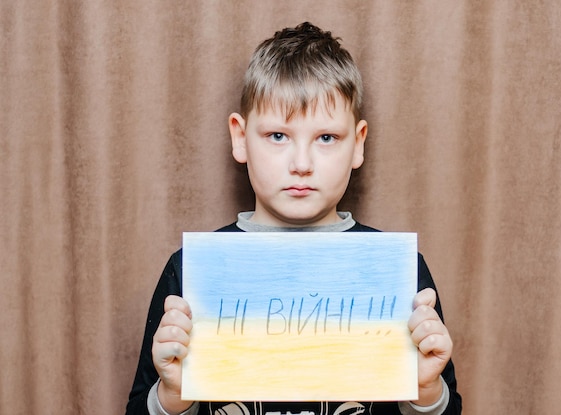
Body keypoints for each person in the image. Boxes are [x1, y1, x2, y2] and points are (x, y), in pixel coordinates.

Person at [126, 22, 462, 415]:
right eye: (278, 136)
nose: (301, 164)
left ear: (358, 143)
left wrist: (425, 390)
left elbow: (447, 405)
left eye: (326, 138)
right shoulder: (190, 269)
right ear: (240, 137)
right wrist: (172, 396)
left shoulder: (399, 271)